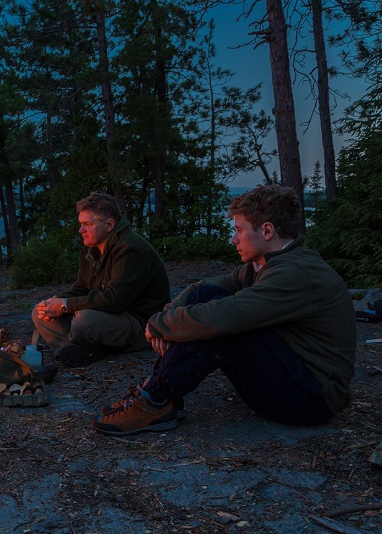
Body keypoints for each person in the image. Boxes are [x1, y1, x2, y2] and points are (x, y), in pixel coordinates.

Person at [93, 185, 356, 436]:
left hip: (312, 398)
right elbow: (202, 288)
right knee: (207, 297)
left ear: (267, 231)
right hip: (292, 370)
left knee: (225, 327)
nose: (233, 239)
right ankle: (160, 398)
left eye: (240, 230)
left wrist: (160, 324)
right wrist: (164, 318)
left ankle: (156, 397)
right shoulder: (269, 264)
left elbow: (222, 317)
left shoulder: (294, 273)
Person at [32, 192, 171, 367]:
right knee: (39, 311)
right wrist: (54, 303)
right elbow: (81, 289)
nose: (81, 230)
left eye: (87, 224)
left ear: (109, 224)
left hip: (140, 324)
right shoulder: (91, 247)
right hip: (108, 315)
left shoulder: (130, 249)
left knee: (83, 321)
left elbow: (114, 300)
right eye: (81, 224)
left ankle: (91, 346)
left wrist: (65, 304)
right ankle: (70, 351)